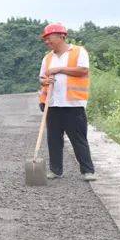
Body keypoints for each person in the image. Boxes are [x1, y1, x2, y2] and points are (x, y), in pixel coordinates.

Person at [38, 22, 95, 180]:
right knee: (54, 140)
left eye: (49, 38)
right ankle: (55, 170)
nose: (46, 41)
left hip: (73, 105)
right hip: (53, 104)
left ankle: (87, 171)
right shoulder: (47, 58)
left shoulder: (78, 51)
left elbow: (83, 70)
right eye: (45, 39)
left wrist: (59, 69)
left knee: (78, 139)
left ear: (61, 36)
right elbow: (42, 78)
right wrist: (44, 82)